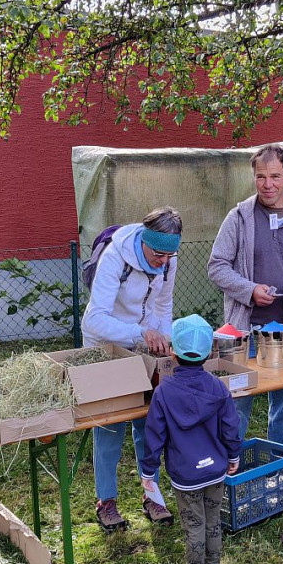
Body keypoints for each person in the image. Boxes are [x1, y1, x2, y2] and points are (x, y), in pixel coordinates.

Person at [207, 144, 283, 448]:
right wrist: (249, 291)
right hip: (244, 333)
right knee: (236, 404)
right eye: (261, 177)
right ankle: (229, 467)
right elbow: (217, 266)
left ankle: (282, 464)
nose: (268, 184)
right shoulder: (239, 217)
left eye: (275, 176)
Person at [81, 206, 182, 532]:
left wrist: (162, 337)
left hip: (144, 340)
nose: (163, 261)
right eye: (158, 254)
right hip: (105, 342)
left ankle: (152, 495)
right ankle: (106, 501)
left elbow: (163, 305)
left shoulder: (167, 259)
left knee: (149, 422)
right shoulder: (116, 257)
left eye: (170, 255)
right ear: (144, 241)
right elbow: (94, 318)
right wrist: (141, 333)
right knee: (110, 425)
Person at [139, 314, 241, 564]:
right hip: (216, 470)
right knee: (212, 521)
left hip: (186, 475)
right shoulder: (219, 387)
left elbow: (154, 436)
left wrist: (148, 472)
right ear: (209, 353)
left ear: (172, 352)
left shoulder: (163, 391)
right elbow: (231, 427)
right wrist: (234, 455)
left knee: (194, 525)